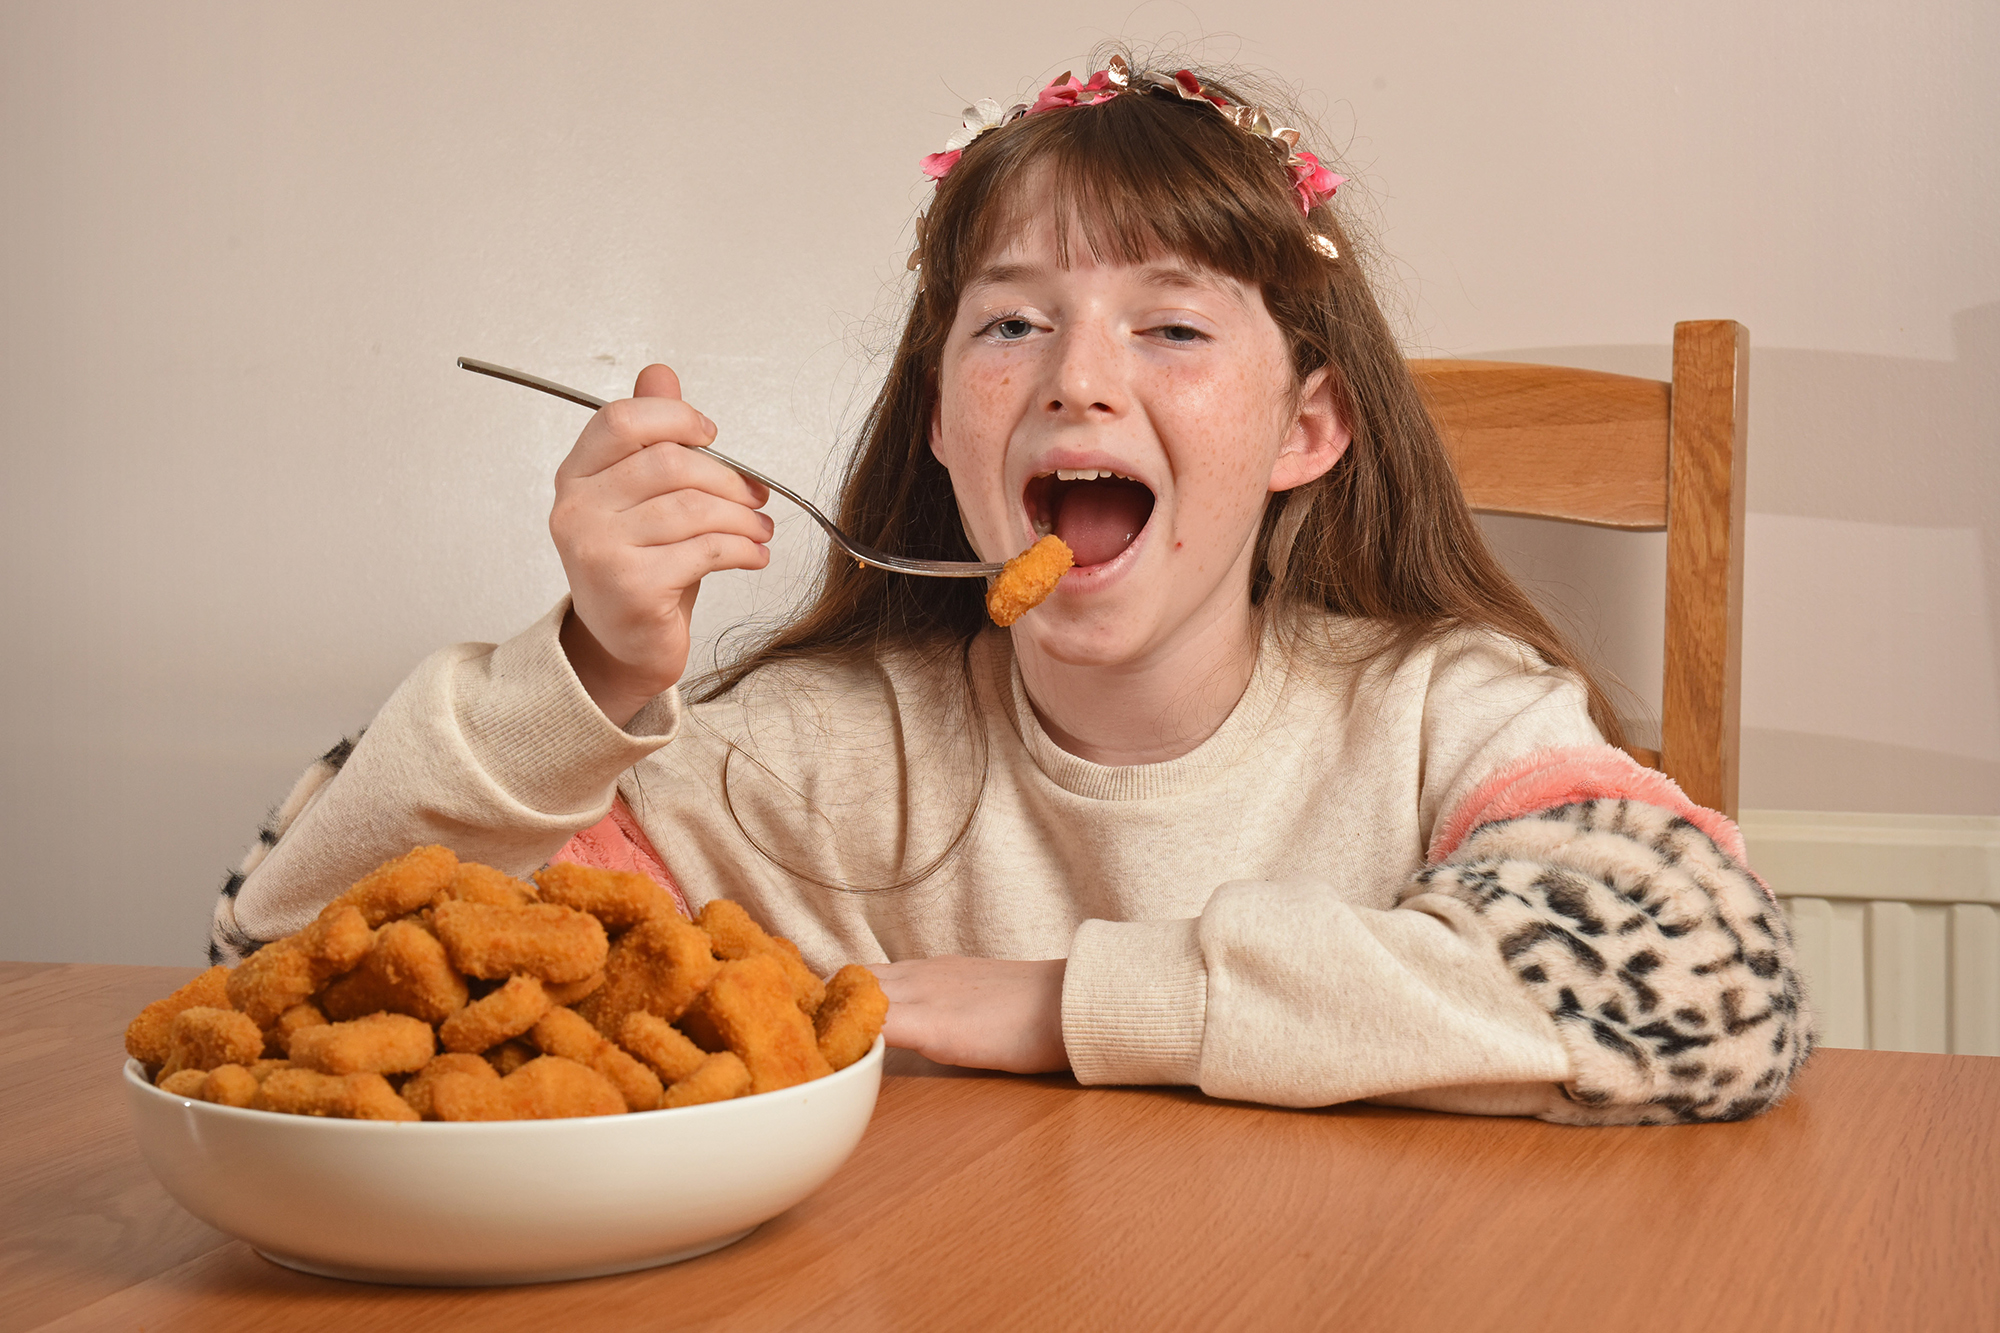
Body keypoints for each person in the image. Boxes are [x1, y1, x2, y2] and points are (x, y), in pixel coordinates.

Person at [214, 54, 1813, 1124]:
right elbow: (280, 966)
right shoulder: (818, 762)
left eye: (1171, 329)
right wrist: (581, 680)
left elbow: (1717, 992)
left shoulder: (1440, 717)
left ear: (1306, 427)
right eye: (1009, 325)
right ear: (942, 424)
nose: (1078, 385)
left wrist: (1072, 1003)